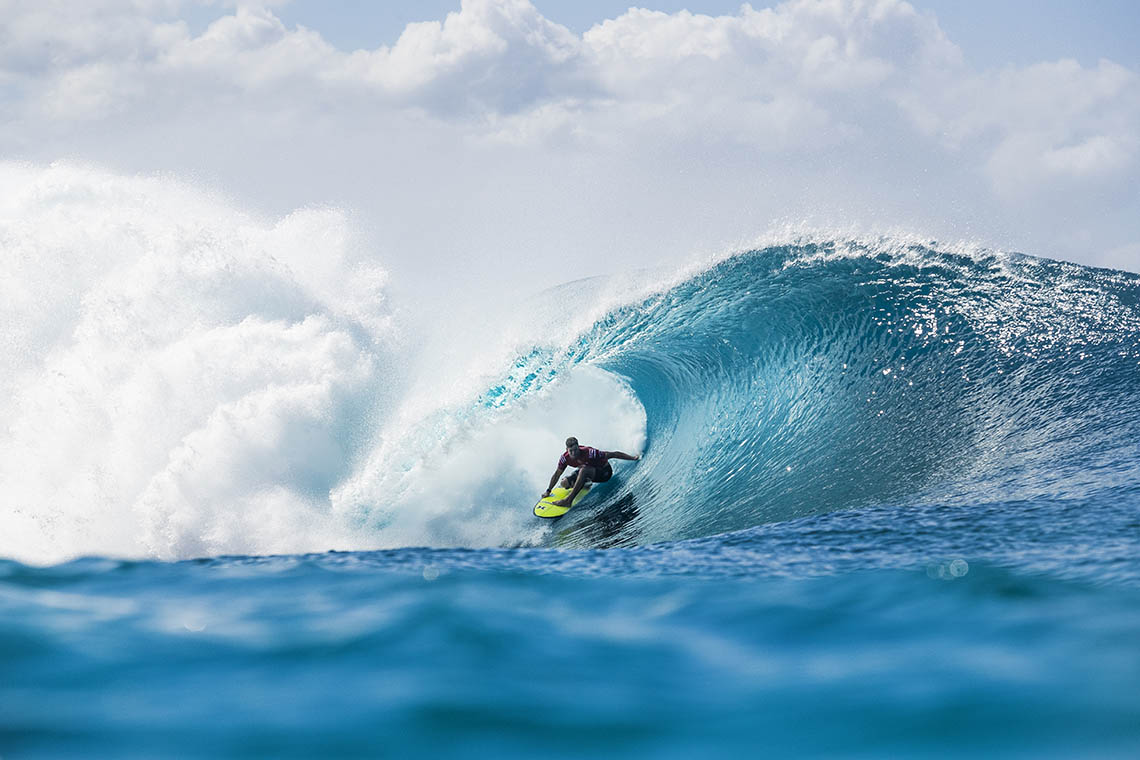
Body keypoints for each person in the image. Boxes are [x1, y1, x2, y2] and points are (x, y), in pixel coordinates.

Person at [542, 436, 641, 507]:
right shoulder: (565, 458)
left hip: (604, 473)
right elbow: (557, 474)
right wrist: (548, 491)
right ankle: (585, 483)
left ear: (578, 447)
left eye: (575, 449)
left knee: (584, 470)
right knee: (564, 483)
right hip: (587, 471)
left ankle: (568, 500)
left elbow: (613, 454)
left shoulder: (590, 453)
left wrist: (633, 458)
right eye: (570, 451)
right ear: (566, 449)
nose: (573, 453)